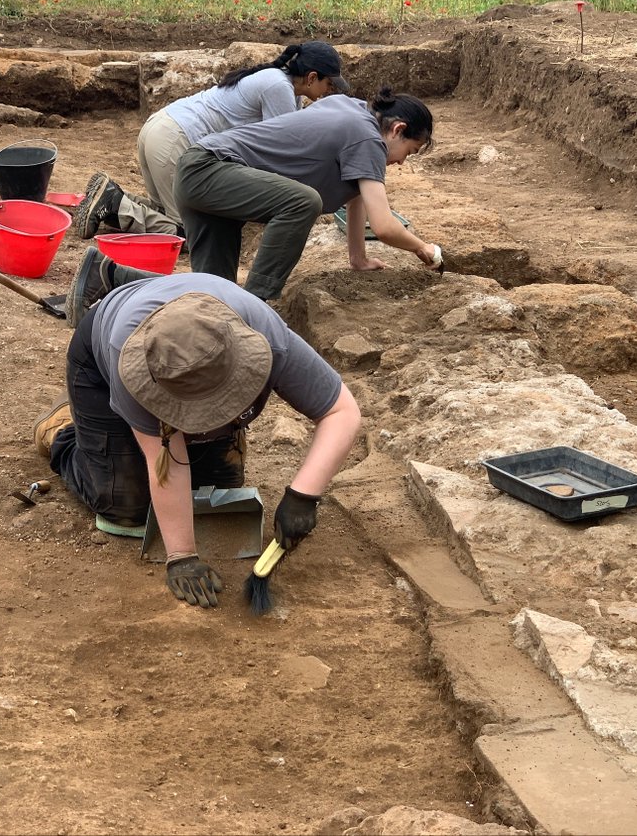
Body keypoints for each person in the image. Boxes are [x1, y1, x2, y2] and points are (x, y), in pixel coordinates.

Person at [33, 271, 362, 609]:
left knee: (219, 496)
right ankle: (63, 429)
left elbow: (341, 413)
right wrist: (181, 556)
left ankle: (206, 436)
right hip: (99, 363)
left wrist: (304, 494)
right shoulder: (131, 361)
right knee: (126, 506)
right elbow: (164, 460)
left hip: (197, 333)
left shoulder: (270, 338)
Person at [174, 85, 442, 303]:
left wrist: (358, 259)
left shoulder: (349, 108)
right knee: (304, 201)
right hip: (212, 170)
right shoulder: (369, 139)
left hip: (197, 170)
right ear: (398, 130)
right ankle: (257, 302)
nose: (402, 162)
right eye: (410, 151)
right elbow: (384, 227)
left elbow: (356, 196)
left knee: (215, 297)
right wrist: (421, 246)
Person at [72, 41, 350, 240]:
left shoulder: (281, 84)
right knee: (191, 234)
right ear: (312, 77)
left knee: (162, 211)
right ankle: (115, 205)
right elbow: (285, 152)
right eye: (329, 84)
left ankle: (113, 197)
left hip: (161, 129)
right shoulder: (278, 87)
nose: (329, 91)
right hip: (175, 141)